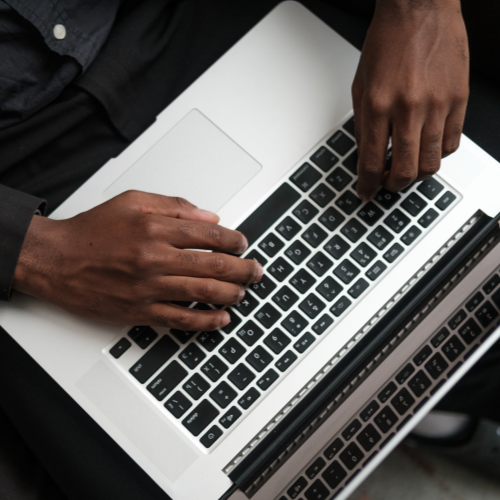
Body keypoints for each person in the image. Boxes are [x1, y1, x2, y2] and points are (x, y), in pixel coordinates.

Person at [0, 0, 499, 499]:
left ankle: (433, 404)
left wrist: (418, 8)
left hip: (180, 19)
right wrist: (34, 251)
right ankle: (430, 404)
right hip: (26, 178)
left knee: (469, 281)